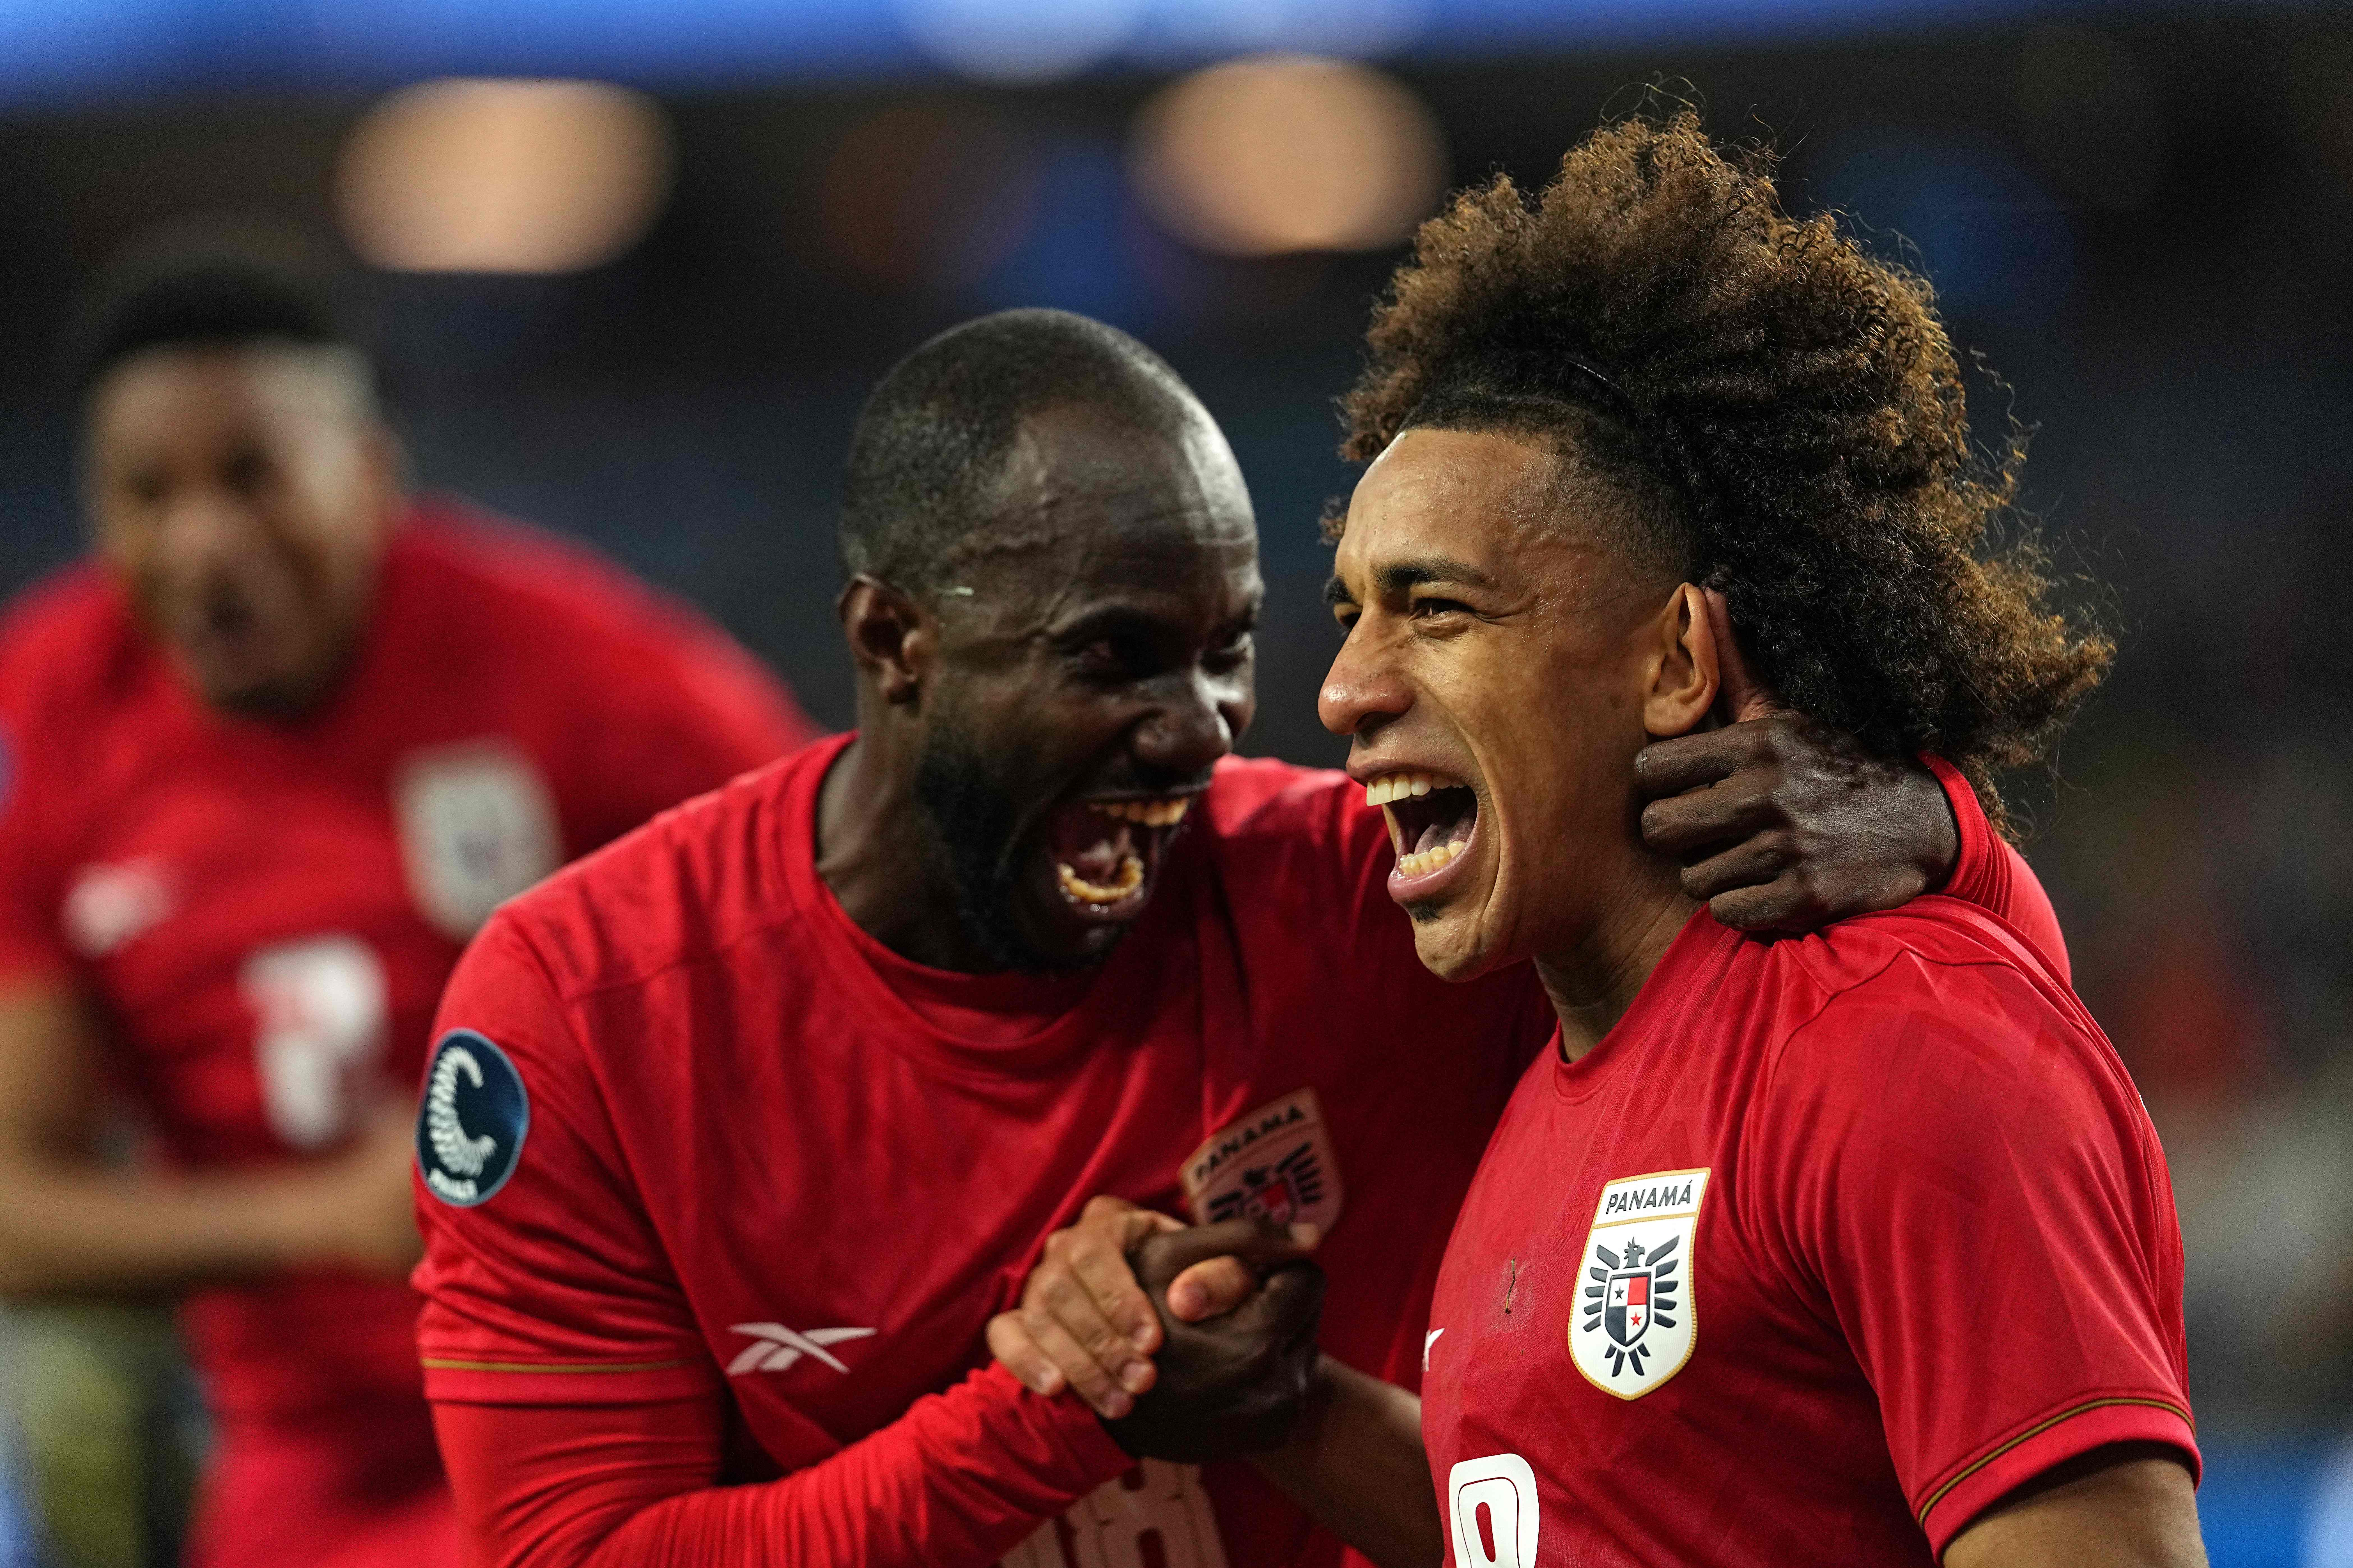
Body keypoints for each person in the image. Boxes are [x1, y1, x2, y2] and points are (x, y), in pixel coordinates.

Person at [410, 306, 2034, 1568]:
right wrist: (1059, 1402)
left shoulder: (1361, 898)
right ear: (892, 640)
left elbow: (1916, 1005)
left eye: (1228, 652)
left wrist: (1933, 828)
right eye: (1115, 657)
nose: (1194, 732)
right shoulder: (587, 1017)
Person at [1028, 112, 2201, 1567]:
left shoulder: (1895, 1045)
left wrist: (1953, 840)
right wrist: (1280, 1405)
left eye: (1438, 609)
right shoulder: (1554, 1075)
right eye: (1352, 611)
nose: (1345, 687)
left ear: (1674, 662)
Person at [0, 256, 819, 1568]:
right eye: (149, 493)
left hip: (629, 1397)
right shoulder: (44, 722)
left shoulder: (587, 670)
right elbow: (13, 1212)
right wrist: (328, 1218)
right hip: (318, 1454)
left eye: (254, 476)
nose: (203, 540)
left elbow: (855, 931)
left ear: (373, 478)